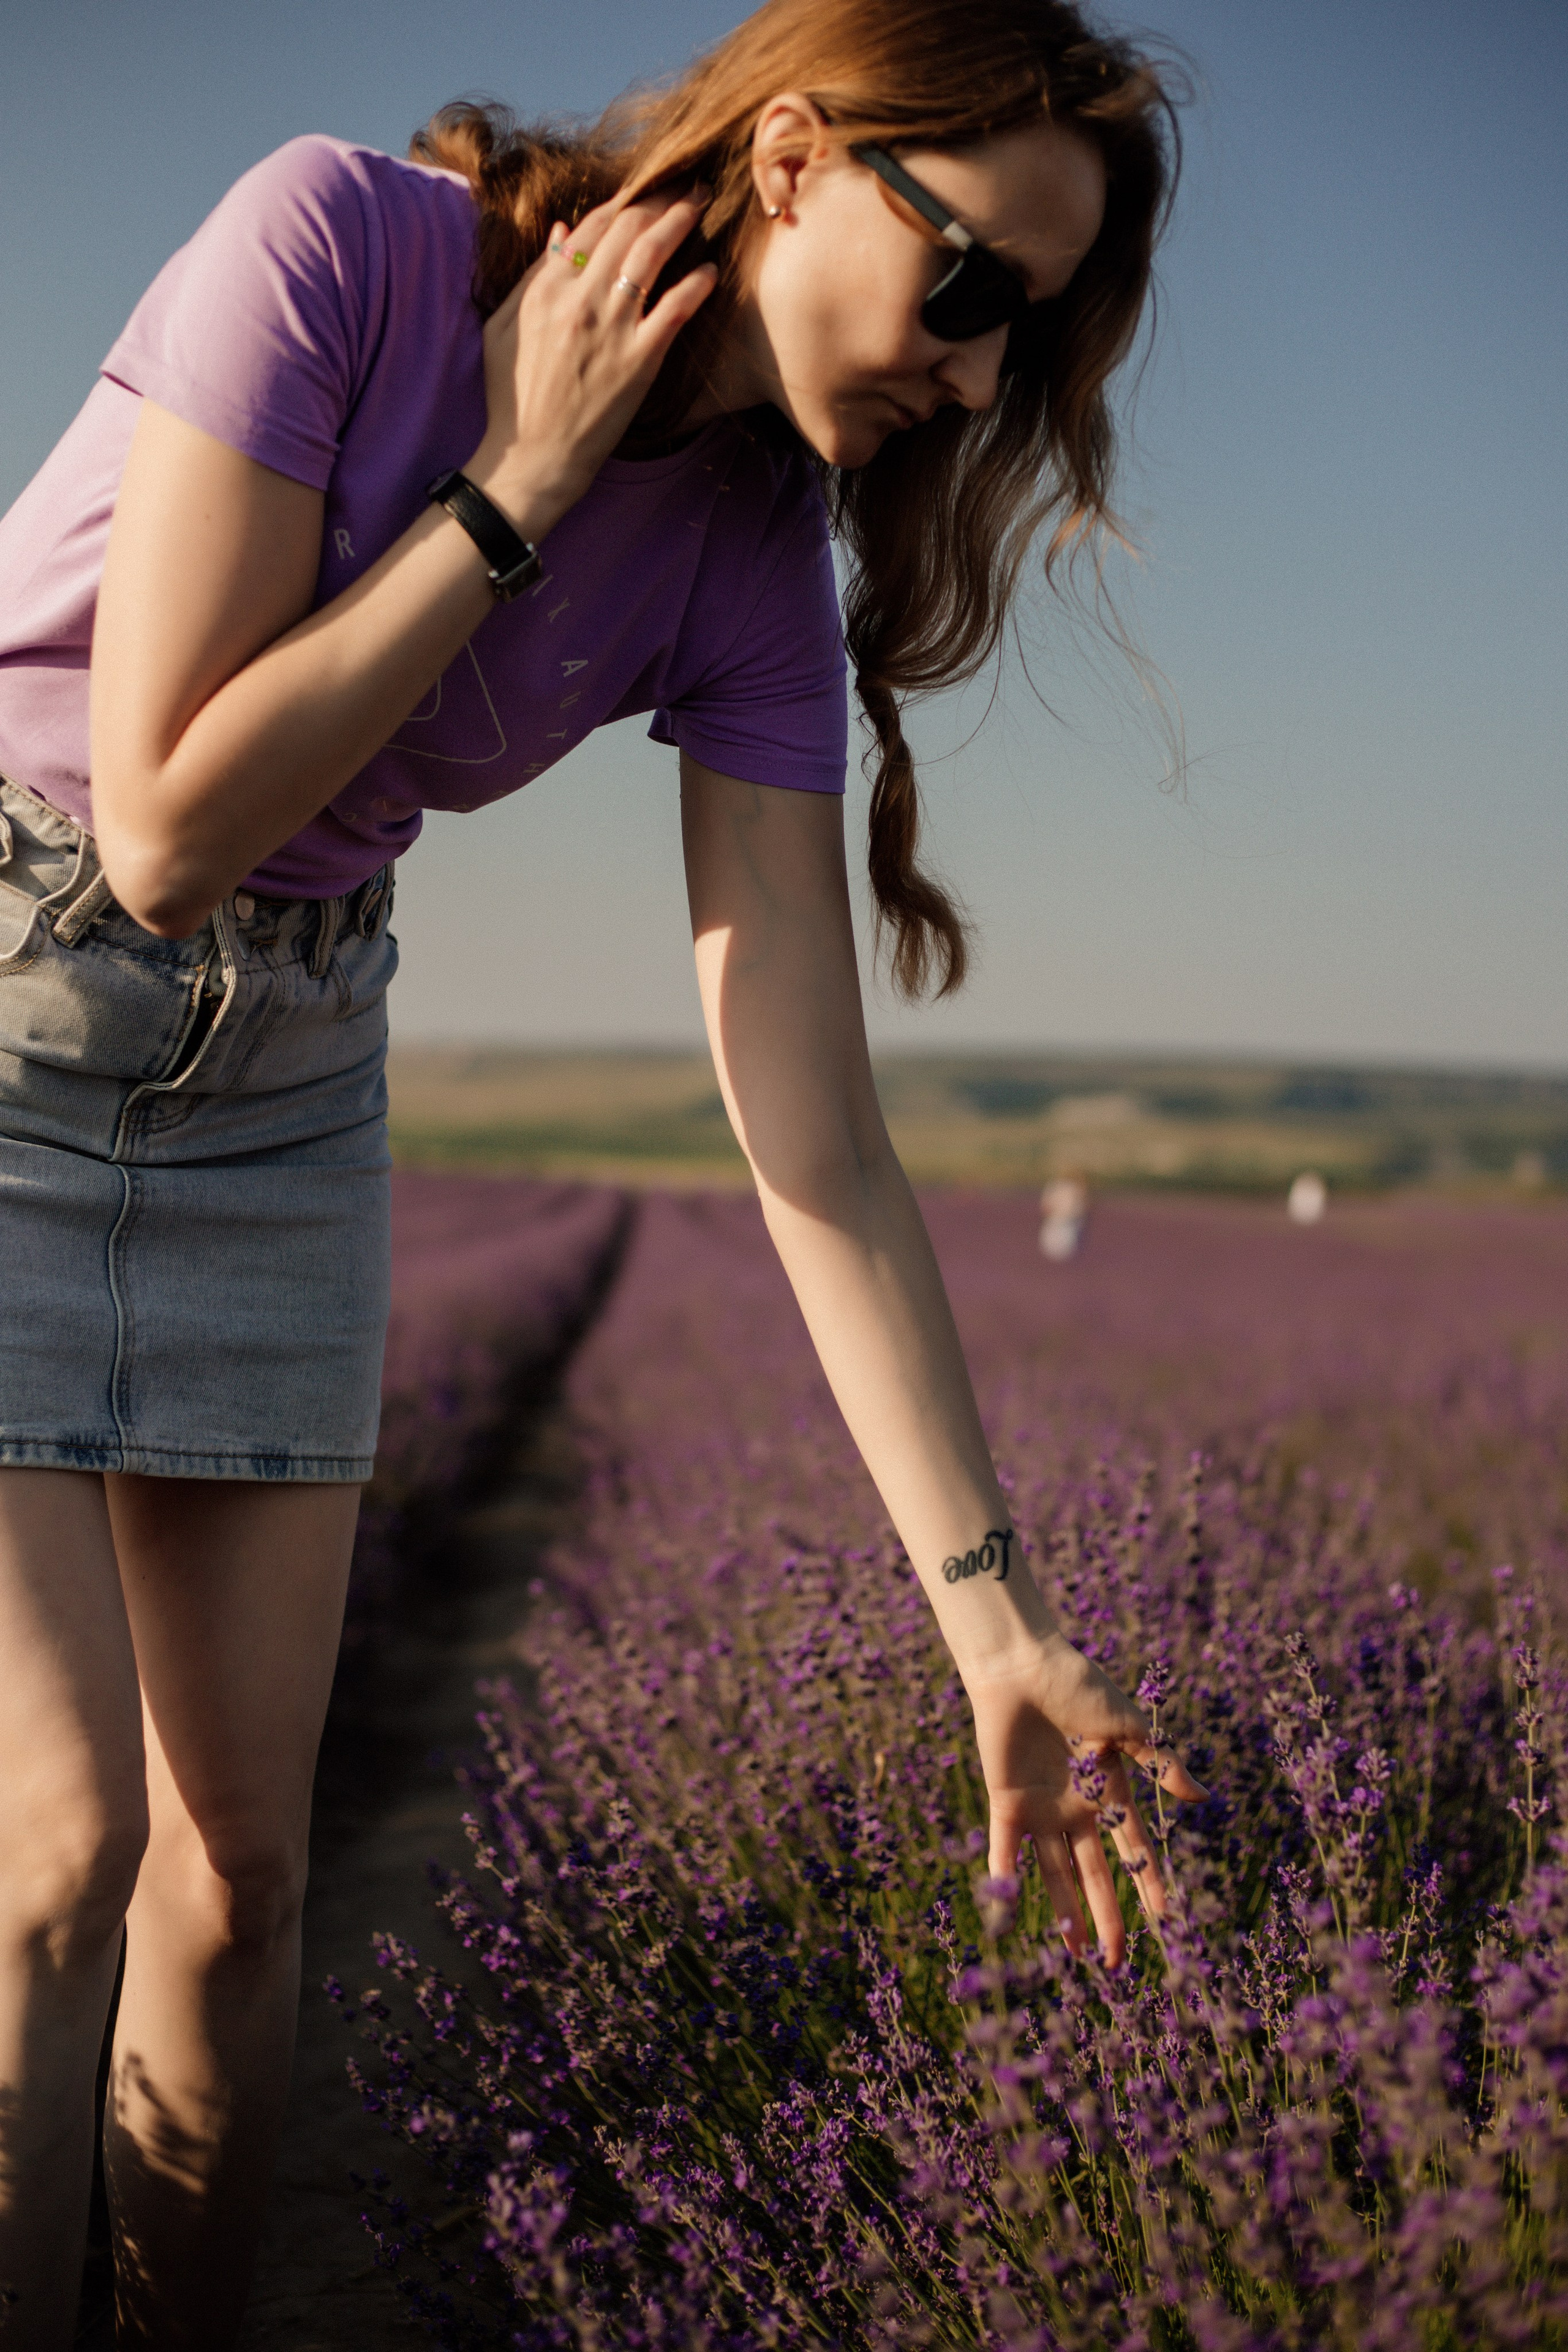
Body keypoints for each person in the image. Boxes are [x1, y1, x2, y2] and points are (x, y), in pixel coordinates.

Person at [0, 0, 1208, 2335]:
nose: (979, 377)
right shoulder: (338, 247)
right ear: (793, 159)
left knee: (241, 1897)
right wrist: (512, 497)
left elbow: (816, 1138)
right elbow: (156, 828)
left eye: (1029, 338)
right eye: (969, 283)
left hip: (289, 1088)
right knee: (56, 1861)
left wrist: (998, 1630)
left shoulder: (757, 552)